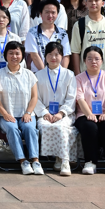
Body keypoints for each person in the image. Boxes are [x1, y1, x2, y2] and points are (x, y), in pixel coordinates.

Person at [0, 40, 42, 175]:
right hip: (5, 115)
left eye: (17, 53)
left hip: (25, 114)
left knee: (29, 128)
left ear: (22, 55)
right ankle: (23, 161)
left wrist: (28, 112)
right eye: (11, 53)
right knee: (11, 128)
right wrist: (5, 114)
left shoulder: (29, 74)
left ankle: (35, 161)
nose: (14, 56)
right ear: (5, 55)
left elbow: (34, 97)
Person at [73, 46, 105, 175]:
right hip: (84, 113)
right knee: (89, 126)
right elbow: (80, 98)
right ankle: (90, 162)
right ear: (84, 61)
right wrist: (89, 114)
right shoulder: (78, 78)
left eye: (97, 59)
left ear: (102, 61)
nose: (93, 61)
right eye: (89, 59)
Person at [36, 41, 79, 176]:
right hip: (45, 112)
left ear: (62, 56)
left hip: (65, 112)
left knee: (61, 127)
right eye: (50, 54)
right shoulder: (38, 75)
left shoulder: (69, 74)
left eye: (57, 54)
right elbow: (35, 98)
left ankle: (64, 161)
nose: (53, 57)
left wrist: (61, 113)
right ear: (45, 56)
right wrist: (45, 113)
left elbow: (71, 97)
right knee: (45, 126)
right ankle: (58, 158)